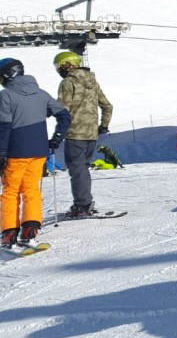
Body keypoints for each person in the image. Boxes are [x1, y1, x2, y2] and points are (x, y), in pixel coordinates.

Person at [0, 58, 70, 249]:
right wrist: (56, 139)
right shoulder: (41, 94)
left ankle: (9, 234)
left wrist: (1, 153)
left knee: (10, 191)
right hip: (38, 152)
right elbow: (64, 115)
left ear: (8, 75)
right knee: (31, 189)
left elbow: (4, 127)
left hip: (15, 152)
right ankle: (29, 231)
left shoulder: (6, 96)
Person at [54, 51, 113, 217]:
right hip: (91, 135)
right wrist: (103, 126)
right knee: (83, 169)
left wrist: (58, 133)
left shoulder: (68, 82)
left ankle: (82, 205)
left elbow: (62, 110)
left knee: (77, 170)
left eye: (59, 65)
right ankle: (85, 201)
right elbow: (108, 106)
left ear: (67, 64)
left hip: (74, 134)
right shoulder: (93, 82)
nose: (58, 69)